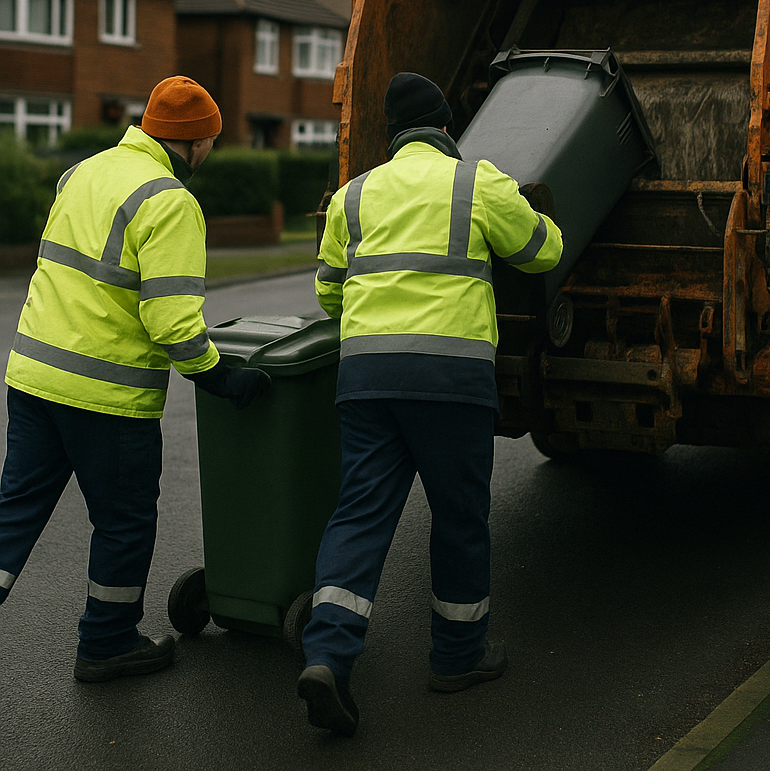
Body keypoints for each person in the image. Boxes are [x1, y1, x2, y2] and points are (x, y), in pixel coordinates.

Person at [298, 72, 563, 735]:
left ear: (392, 136)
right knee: (459, 519)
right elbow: (540, 251)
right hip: (450, 381)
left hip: (366, 379)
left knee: (359, 515)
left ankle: (327, 654)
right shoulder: (477, 182)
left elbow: (329, 291)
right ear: (447, 128)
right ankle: (457, 656)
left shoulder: (353, 196)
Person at [0, 76, 268, 683]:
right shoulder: (169, 201)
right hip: (107, 397)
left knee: (14, 511)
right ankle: (108, 641)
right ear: (196, 142)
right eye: (211, 143)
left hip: (34, 376)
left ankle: (107, 636)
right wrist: (219, 376)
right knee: (123, 521)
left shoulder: (84, 172)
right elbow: (171, 318)